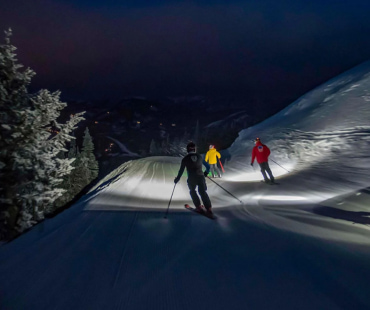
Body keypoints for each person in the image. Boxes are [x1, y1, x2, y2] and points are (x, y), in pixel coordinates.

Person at [174, 142, 213, 214]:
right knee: (203, 192)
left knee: (192, 191)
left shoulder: (185, 159)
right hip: (200, 176)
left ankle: (198, 207)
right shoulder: (199, 156)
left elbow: (181, 170)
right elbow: (208, 166)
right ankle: (209, 208)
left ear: (187, 150)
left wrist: (177, 179)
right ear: (195, 149)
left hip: (191, 178)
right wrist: (206, 173)